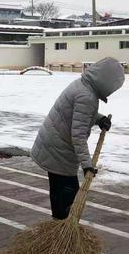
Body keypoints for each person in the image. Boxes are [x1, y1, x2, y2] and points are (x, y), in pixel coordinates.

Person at [31, 57, 125, 220]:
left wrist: (99, 118)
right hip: (58, 151)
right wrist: (87, 165)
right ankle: (60, 233)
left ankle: (58, 229)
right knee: (67, 195)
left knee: (61, 193)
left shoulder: (83, 85)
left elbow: (79, 113)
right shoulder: (87, 96)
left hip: (53, 145)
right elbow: (78, 135)